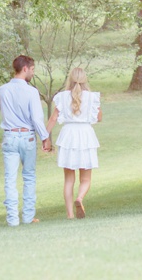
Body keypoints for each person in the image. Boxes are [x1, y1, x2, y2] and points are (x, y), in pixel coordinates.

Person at [0, 55, 52, 225]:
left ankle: (12, 219)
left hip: (10, 136)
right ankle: (28, 217)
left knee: (10, 179)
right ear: (25, 68)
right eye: (33, 69)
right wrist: (45, 137)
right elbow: (36, 118)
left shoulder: (2, 90)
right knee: (28, 176)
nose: (33, 73)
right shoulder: (31, 91)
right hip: (27, 137)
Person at [47, 66, 102, 219]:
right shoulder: (92, 97)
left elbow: (53, 119)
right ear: (85, 79)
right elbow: (98, 118)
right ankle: (80, 198)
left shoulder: (62, 97)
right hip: (85, 135)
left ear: (69, 79)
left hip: (68, 136)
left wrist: (46, 138)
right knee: (85, 178)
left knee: (69, 179)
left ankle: (70, 214)